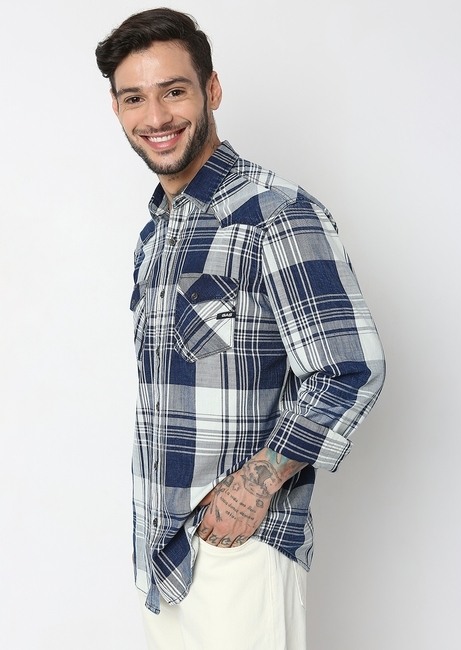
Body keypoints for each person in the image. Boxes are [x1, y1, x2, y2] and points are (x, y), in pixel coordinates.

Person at [95, 8, 385, 649]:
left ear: (212, 90)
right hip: (160, 550)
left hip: (242, 548)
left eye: (174, 90)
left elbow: (350, 368)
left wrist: (254, 487)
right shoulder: (154, 235)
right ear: (117, 110)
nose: (156, 116)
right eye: (134, 98)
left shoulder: (274, 212)